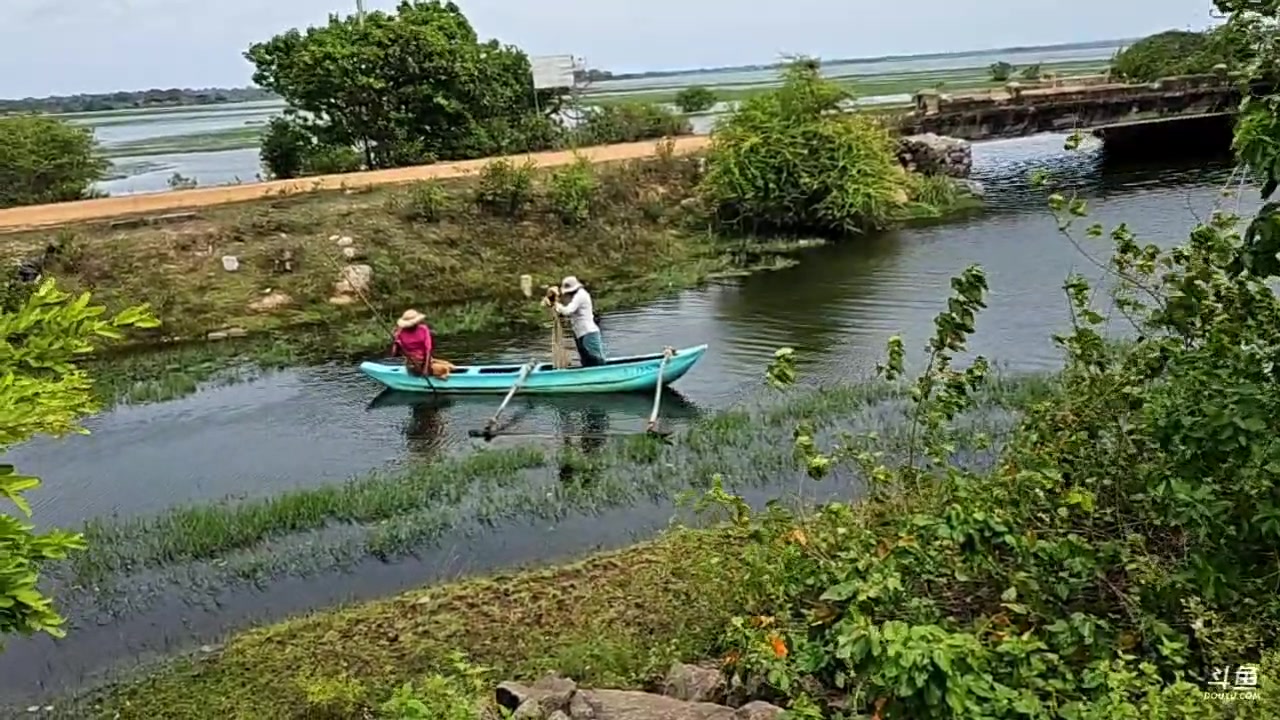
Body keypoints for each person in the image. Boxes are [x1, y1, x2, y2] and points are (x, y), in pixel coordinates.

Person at [544, 275, 607, 367]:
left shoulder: (581, 295)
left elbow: (567, 311)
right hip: (580, 333)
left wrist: (556, 304)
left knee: (595, 359)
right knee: (585, 360)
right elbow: (564, 306)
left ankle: (602, 375)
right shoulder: (575, 296)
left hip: (588, 333)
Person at [390, 309, 455, 379]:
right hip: (414, 364)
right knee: (444, 369)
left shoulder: (423, 329)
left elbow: (428, 350)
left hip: (426, 361)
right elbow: (395, 355)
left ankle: (434, 371)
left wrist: (426, 368)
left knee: (451, 367)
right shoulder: (400, 333)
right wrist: (396, 344)